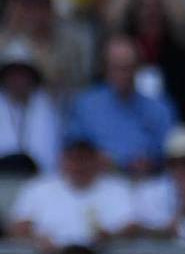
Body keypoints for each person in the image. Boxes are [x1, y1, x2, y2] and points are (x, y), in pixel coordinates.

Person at [67, 35, 176, 175]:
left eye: (127, 68)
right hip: (98, 181)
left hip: (146, 181)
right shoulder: (85, 105)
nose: (123, 74)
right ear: (105, 68)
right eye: (116, 68)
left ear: (138, 68)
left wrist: (152, 162)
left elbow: (172, 155)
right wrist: (93, 158)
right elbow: (72, 149)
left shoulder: (159, 108)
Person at [0, 39, 62, 173]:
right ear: (2, 77)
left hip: (42, 178)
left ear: (33, 77)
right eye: (12, 74)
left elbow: (56, 75)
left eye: (23, 74)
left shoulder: (48, 103)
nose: (17, 80)